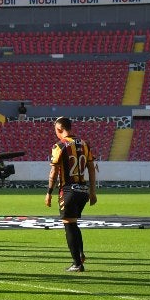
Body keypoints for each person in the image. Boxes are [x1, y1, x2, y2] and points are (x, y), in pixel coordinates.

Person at [45, 117, 97, 273]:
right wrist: (93, 192)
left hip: (68, 190)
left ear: (60, 129)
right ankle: (80, 254)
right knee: (73, 223)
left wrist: (49, 192)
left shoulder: (59, 146)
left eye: (56, 130)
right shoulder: (85, 144)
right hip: (83, 190)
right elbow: (92, 169)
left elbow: (54, 172)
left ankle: (77, 264)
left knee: (68, 225)